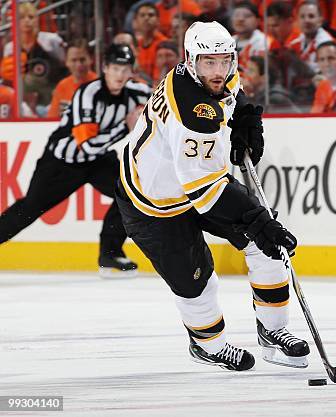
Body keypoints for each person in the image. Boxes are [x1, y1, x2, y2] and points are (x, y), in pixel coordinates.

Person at [115, 21, 309, 371]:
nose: (218, 71)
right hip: (153, 201)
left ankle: (274, 332)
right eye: (209, 63)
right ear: (191, 61)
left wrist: (245, 116)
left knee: (266, 246)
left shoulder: (210, 74)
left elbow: (232, 91)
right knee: (196, 280)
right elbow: (204, 193)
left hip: (199, 179)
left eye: (225, 60)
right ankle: (210, 346)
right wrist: (256, 218)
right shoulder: (192, 112)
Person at [0, 44, 151, 277]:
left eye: (125, 69)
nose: (120, 75)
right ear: (105, 68)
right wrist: (125, 128)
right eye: (115, 68)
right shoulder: (87, 94)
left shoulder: (137, 92)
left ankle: (110, 255)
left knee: (130, 192)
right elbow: (86, 145)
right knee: (29, 209)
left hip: (99, 160)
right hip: (62, 163)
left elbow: (166, 99)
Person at [47, 39, 98, 118]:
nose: (78, 65)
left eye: (82, 60)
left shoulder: (100, 85)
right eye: (74, 60)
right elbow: (52, 118)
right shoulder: (62, 86)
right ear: (66, 62)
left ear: (91, 59)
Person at [287, 0, 335, 73]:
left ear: (320, 20)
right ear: (297, 20)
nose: (306, 20)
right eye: (302, 16)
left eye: (311, 16)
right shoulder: (296, 41)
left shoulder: (326, 44)